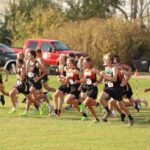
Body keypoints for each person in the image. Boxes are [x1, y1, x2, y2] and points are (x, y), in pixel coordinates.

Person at [98, 53, 134, 126]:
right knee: (100, 98)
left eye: (106, 59)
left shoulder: (114, 68)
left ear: (111, 61)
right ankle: (108, 112)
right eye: (104, 59)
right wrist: (101, 79)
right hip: (108, 88)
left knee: (121, 105)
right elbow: (104, 79)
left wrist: (105, 76)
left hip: (116, 89)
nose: (104, 61)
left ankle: (130, 118)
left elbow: (114, 79)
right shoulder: (106, 68)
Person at [80, 57, 102, 122]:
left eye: (85, 63)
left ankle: (84, 114)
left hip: (93, 89)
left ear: (89, 63)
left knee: (83, 105)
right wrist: (81, 84)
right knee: (89, 105)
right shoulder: (85, 70)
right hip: (87, 89)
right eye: (83, 63)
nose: (83, 64)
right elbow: (85, 80)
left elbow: (102, 75)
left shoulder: (93, 70)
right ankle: (96, 117)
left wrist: (97, 82)